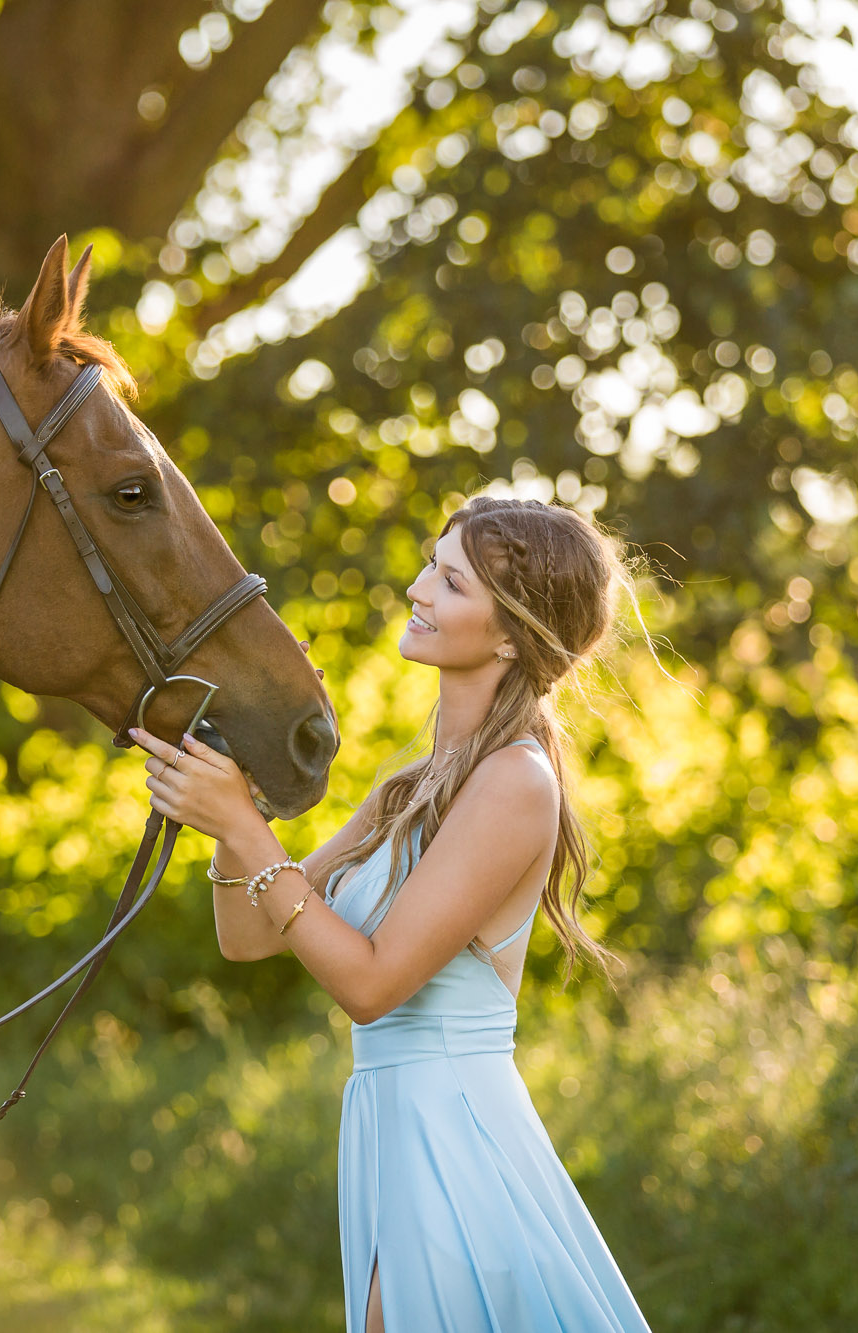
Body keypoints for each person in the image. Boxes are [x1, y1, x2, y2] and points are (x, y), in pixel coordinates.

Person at [129, 495, 654, 1332]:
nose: (416, 588)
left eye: (449, 582)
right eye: (429, 565)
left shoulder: (517, 783)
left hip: (457, 1135)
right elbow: (248, 935)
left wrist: (240, 824)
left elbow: (372, 986)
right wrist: (241, 773)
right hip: (391, 1129)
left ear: (512, 632)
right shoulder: (406, 790)